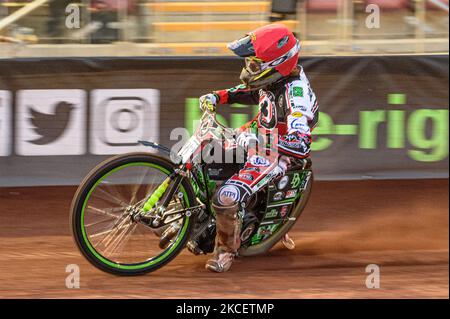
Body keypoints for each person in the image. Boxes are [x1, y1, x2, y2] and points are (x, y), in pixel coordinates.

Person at [199, 23, 319, 273]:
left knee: (226, 196)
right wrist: (217, 96)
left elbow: (301, 144)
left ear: (276, 64)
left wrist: (262, 143)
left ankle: (225, 251)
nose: (248, 70)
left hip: (278, 154)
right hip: (257, 136)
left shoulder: (295, 98)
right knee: (204, 154)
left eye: (254, 65)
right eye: (249, 64)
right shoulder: (277, 79)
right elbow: (252, 92)